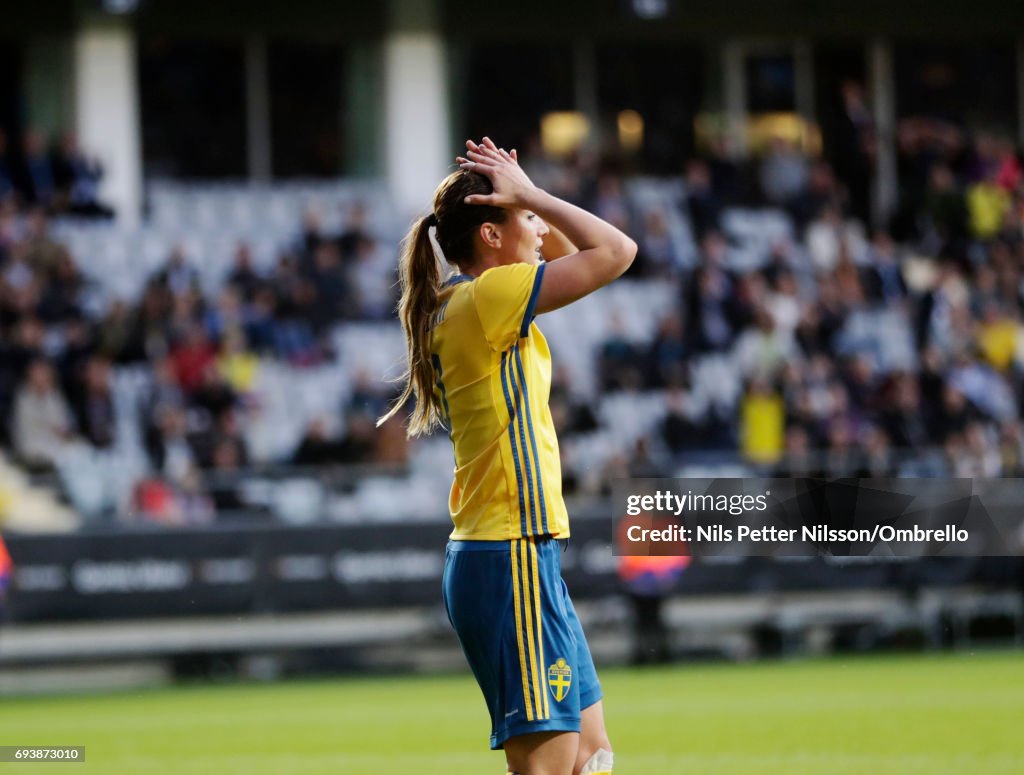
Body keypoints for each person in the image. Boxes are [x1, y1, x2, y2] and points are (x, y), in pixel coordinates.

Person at [378, 137, 635, 775]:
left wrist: (527, 200)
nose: (542, 228)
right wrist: (536, 191)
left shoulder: (478, 305)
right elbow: (616, 253)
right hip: (508, 550)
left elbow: (588, 253)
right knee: (547, 769)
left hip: (524, 551)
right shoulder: (486, 299)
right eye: (526, 219)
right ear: (491, 235)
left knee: (590, 756)